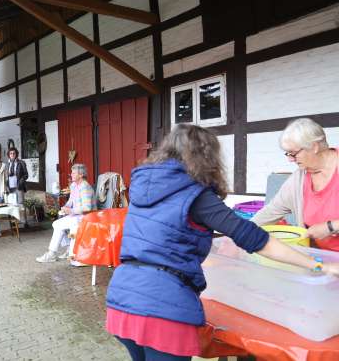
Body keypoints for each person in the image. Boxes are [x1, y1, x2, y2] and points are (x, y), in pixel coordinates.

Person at [105, 124, 339, 361]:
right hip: (162, 309)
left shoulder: (144, 191)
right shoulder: (194, 195)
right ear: (206, 157)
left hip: (121, 301)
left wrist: (231, 240)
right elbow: (255, 239)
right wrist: (319, 265)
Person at [253, 118, 339, 251]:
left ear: (314, 147)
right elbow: (270, 212)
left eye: (293, 153)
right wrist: (238, 233)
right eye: (287, 154)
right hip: (323, 260)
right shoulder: (298, 180)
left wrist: (331, 226)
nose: (289, 159)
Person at [36, 163, 95, 264]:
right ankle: (67, 249)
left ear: (81, 175)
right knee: (56, 224)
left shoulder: (85, 187)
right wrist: (66, 207)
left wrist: (71, 211)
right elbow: (71, 201)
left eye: (73, 173)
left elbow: (87, 207)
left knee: (60, 225)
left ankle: (52, 254)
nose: (71, 174)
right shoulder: (73, 185)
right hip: (77, 215)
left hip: (86, 217)